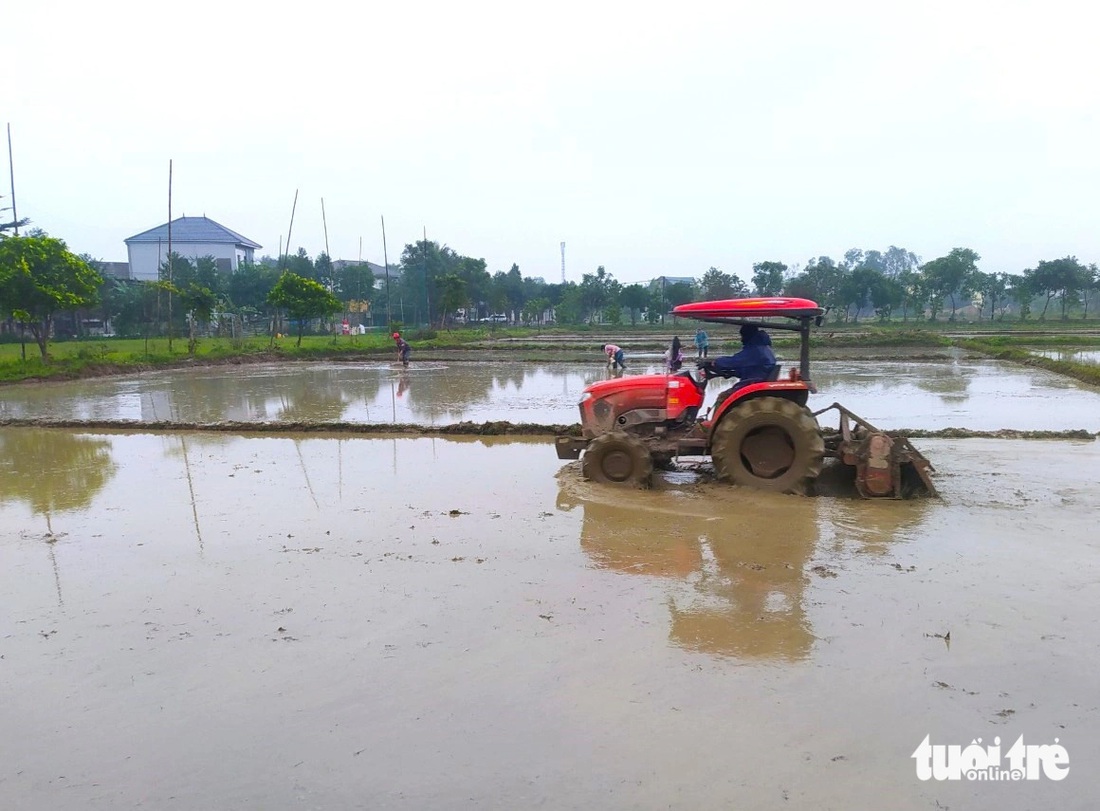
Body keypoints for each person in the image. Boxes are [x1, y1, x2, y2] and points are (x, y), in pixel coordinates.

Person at [700, 324, 776, 389]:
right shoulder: (763, 348)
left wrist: (714, 363)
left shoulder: (756, 350)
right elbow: (751, 369)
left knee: (723, 397)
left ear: (748, 335)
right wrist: (730, 373)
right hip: (756, 379)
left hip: (753, 382)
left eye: (743, 336)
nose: (741, 340)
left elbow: (735, 361)